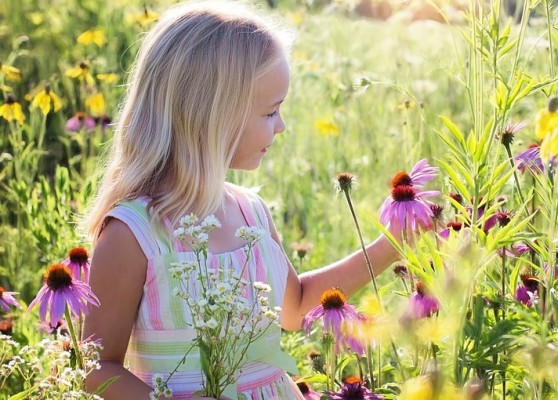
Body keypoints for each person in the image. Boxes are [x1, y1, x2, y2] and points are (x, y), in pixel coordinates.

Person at [81, 1, 403, 398]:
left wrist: (392, 245)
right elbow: (97, 367)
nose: (282, 126)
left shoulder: (251, 212)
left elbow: (295, 307)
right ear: (213, 115)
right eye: (271, 112)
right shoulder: (134, 233)